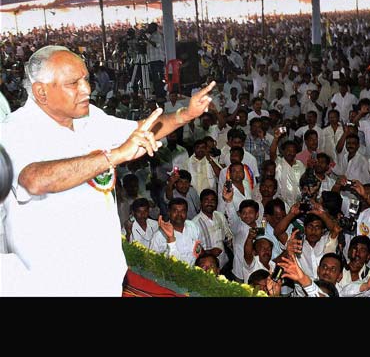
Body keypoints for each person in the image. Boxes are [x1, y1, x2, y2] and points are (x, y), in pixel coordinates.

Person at [1, 45, 214, 296]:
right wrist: (114, 155)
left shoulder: (90, 119)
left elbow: (140, 130)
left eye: (86, 79)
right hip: (51, 283)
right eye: (73, 83)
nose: (86, 89)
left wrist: (185, 114)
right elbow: (33, 179)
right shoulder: (15, 130)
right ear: (41, 91)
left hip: (102, 276)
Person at [150, 198, 204, 266]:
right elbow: (152, 259)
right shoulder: (159, 235)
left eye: (182, 211)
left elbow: (200, 248)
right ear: (169, 213)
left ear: (186, 213)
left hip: (194, 270)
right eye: (175, 211)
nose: (179, 214)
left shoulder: (193, 227)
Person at [145, 22, 166, 99]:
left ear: (154, 28)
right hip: (152, 60)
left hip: (157, 60)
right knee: (155, 78)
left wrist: (147, 40)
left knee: (158, 78)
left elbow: (156, 45)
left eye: (150, 27)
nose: (148, 28)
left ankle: (161, 94)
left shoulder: (157, 35)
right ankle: (158, 93)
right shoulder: (151, 36)